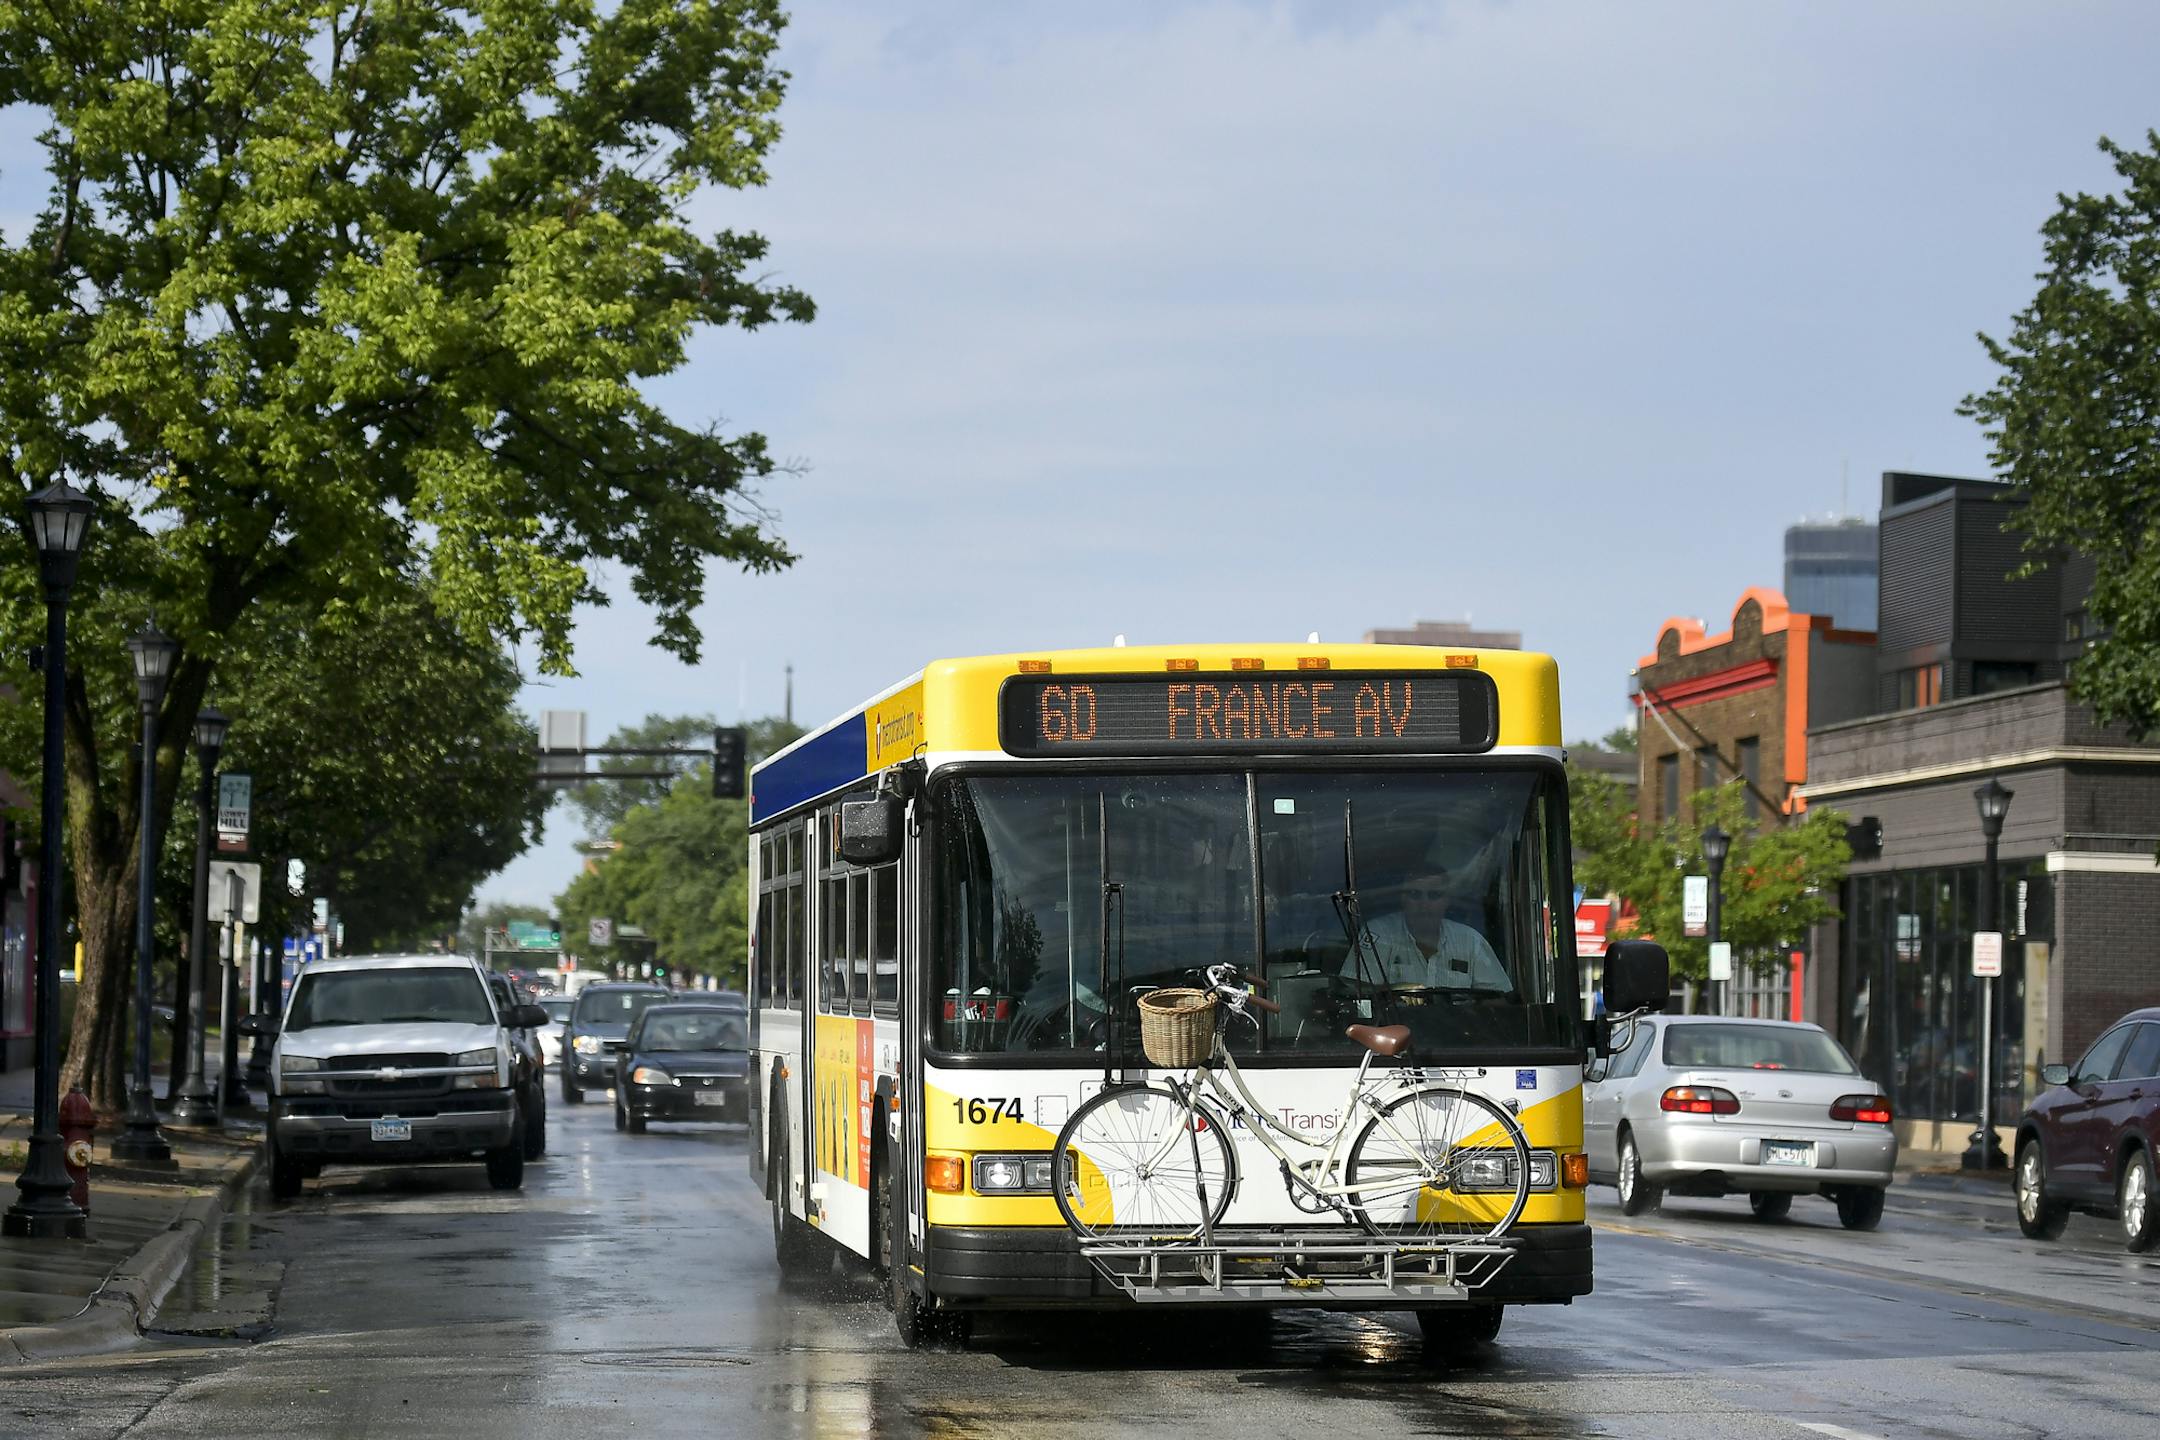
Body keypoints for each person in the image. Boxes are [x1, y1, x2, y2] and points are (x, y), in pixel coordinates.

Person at [1343, 868, 1510, 994]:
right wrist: (1397, 992)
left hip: (1458, 1033)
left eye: (1434, 895)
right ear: (1402, 899)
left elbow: (1499, 998)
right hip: (1392, 1033)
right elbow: (1354, 992)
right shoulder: (1377, 934)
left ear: (1447, 901)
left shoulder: (1471, 941)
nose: (1424, 904)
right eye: (1415, 894)